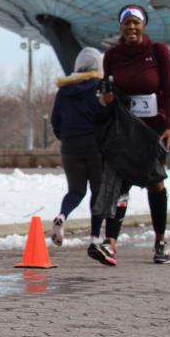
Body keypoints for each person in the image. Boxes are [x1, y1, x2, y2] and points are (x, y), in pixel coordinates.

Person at [93, 4, 170, 265]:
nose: (131, 27)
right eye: (126, 23)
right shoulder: (112, 56)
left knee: (155, 182)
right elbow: (107, 89)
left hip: (153, 129)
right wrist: (105, 100)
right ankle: (110, 243)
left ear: (143, 26)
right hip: (124, 127)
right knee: (119, 181)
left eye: (136, 22)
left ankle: (161, 241)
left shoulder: (158, 51)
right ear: (121, 27)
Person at [49, 47, 104, 247]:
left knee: (75, 191)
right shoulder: (99, 87)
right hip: (95, 146)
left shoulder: (64, 90)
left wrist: (65, 137)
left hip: (70, 147)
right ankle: (95, 235)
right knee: (98, 191)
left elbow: (55, 120)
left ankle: (62, 215)